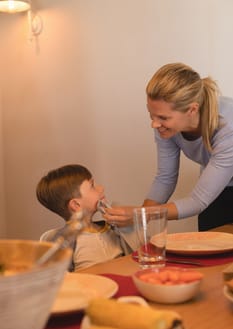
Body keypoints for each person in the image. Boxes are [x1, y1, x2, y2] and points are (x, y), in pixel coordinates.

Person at [103, 62, 233, 231]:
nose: (155, 124)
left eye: (163, 118)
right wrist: (140, 218)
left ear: (192, 110)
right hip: (220, 189)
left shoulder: (228, 128)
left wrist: (140, 214)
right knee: (210, 248)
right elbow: (165, 178)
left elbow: (198, 201)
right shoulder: (165, 125)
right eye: (152, 115)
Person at [36, 164, 137, 271]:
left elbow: (136, 255)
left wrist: (125, 227)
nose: (101, 188)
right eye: (92, 186)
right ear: (76, 205)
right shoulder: (66, 241)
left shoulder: (112, 228)